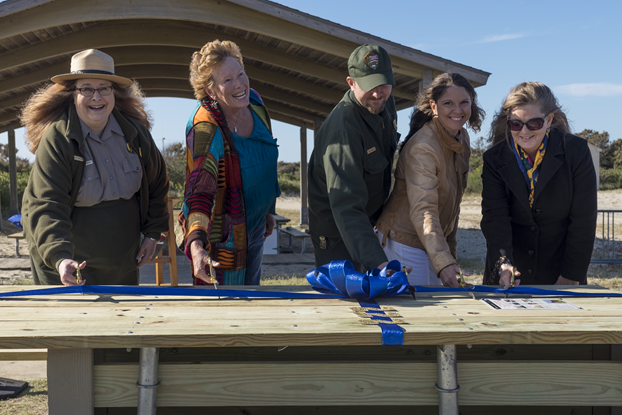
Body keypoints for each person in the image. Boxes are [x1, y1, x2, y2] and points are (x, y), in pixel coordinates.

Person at [20, 49, 169, 286]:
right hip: (67, 261)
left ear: (114, 93)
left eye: (104, 88)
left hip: (121, 261)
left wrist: (153, 235)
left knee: (121, 322)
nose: (96, 97)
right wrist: (59, 258)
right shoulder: (57, 139)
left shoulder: (135, 133)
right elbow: (47, 205)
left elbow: (157, 185)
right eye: (86, 89)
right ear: (72, 95)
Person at [178, 40, 280, 286]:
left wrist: (268, 210)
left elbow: (264, 156)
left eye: (241, 74)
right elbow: (199, 190)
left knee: (252, 294)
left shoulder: (254, 102)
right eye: (228, 80)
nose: (239, 84)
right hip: (223, 234)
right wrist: (197, 245)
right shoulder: (206, 126)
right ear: (211, 91)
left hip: (255, 223)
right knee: (225, 305)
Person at [481, 82, 597, 287]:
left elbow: (583, 220)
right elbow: (495, 218)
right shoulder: (494, 159)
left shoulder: (576, 152)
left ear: (549, 120)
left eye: (533, 123)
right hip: (508, 276)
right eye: (516, 124)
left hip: (561, 272)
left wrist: (571, 274)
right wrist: (504, 264)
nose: (524, 131)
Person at [376, 72, 485, 287]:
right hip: (404, 242)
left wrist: (448, 252)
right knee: (419, 313)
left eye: (464, 102)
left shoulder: (462, 137)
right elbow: (424, 209)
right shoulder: (423, 147)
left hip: (431, 240)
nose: (457, 110)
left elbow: (454, 203)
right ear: (433, 107)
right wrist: (443, 261)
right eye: (448, 103)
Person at [307, 44, 399, 273]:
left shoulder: (386, 104)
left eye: (383, 84)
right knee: (345, 302)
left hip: (367, 224)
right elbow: (346, 206)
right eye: (369, 87)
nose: (378, 94)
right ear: (351, 83)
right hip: (337, 234)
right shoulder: (343, 129)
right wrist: (378, 261)